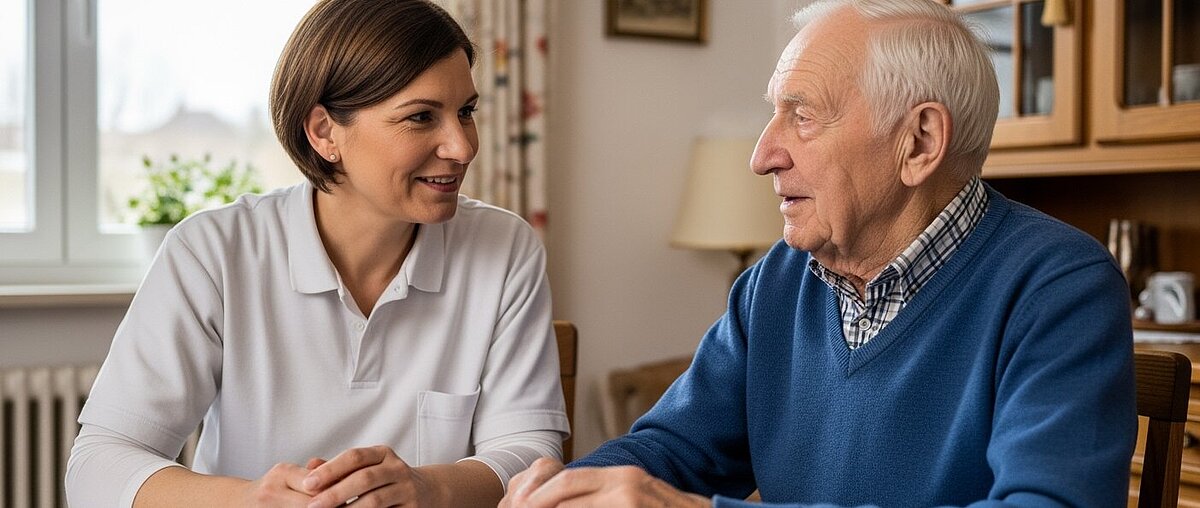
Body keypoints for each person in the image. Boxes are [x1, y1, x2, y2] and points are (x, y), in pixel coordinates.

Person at [500, 0, 1136, 507]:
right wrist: (568, 489)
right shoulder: (773, 283)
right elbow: (671, 449)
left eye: (800, 116)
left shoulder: (1059, 287)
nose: (762, 155)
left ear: (918, 141)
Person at [65, 1, 569, 506]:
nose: (461, 147)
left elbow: (529, 451)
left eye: (465, 112)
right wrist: (248, 500)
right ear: (325, 131)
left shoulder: (506, 248)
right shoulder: (212, 253)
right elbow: (98, 466)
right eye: (421, 117)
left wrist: (427, 487)